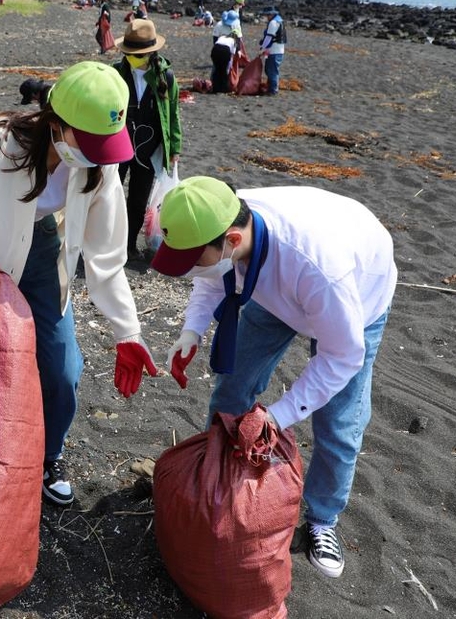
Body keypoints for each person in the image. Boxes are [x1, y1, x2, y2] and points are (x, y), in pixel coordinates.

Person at [0, 61, 158, 506]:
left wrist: (126, 330)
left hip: (44, 251)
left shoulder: (98, 163)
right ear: (56, 123)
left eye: (103, 145)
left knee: (62, 370)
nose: (96, 153)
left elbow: (107, 256)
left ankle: (48, 456)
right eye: (88, 141)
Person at [151, 175, 396, 580]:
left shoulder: (317, 269)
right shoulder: (223, 218)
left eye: (195, 257)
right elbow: (212, 277)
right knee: (232, 385)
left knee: (339, 421)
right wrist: (191, 331)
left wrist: (279, 416)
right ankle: (220, 482)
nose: (193, 267)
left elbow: (342, 355)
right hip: (272, 291)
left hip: (356, 298)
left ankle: (323, 520)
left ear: (232, 241)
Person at [111, 18, 182, 260]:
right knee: (110, 195)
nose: (134, 58)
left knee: (138, 201)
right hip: (117, 146)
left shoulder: (166, 77)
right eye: (130, 53)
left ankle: (129, 246)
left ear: (152, 52)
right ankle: (107, 243)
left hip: (148, 149)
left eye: (139, 54)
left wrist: (175, 147)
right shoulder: (116, 72)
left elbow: (173, 113)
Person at [259, 7, 286, 95]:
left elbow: (269, 37)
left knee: (272, 70)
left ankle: (273, 90)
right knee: (269, 69)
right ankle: (271, 87)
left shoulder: (273, 23)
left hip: (275, 50)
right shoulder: (279, 21)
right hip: (277, 49)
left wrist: (262, 48)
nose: (267, 16)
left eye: (267, 15)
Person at [210, 28, 241, 93]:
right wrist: (229, 68)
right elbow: (231, 57)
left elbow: (216, 44)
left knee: (217, 69)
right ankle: (223, 89)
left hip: (215, 50)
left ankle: (215, 88)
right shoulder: (234, 41)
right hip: (225, 51)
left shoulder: (222, 37)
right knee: (223, 71)